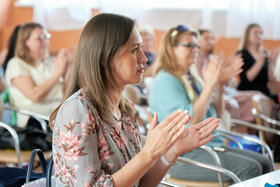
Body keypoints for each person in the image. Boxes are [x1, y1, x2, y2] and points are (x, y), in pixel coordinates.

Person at [49, 13, 220, 186]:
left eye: (141, 49)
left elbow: (139, 183)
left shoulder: (126, 109)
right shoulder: (77, 110)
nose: (144, 59)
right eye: (134, 50)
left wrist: (171, 152)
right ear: (104, 57)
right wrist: (149, 153)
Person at [149, 25, 272, 182]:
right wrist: (208, 86)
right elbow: (190, 123)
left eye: (196, 45)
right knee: (251, 168)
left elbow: (216, 114)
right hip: (182, 157)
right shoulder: (165, 80)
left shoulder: (190, 77)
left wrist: (219, 86)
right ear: (171, 49)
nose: (195, 49)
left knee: (264, 161)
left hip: (207, 147)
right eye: (189, 45)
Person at [5, 23, 72, 127]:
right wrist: (58, 73)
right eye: (40, 38)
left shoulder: (48, 63)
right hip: (36, 122)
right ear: (25, 42)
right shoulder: (16, 64)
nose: (45, 41)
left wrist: (68, 67)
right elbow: (34, 95)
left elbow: (65, 92)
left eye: (46, 36)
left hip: (58, 117)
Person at [196, 29, 262, 123]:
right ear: (197, 41)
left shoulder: (213, 58)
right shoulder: (196, 59)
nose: (210, 42)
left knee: (258, 96)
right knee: (256, 97)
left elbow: (225, 82)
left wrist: (228, 69)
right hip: (214, 95)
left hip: (226, 92)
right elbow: (204, 82)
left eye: (212, 38)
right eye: (206, 39)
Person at [237, 23, 275, 99]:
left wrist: (271, 61)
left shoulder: (265, 53)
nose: (259, 36)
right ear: (247, 36)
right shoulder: (241, 54)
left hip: (263, 93)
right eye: (255, 33)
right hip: (247, 94)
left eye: (261, 33)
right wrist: (260, 61)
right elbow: (247, 79)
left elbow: (271, 79)